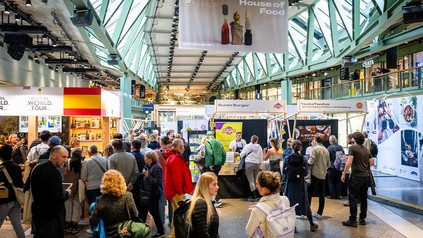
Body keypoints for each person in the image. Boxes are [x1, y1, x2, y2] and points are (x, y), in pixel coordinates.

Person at [31, 145, 71, 238]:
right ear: (53, 155)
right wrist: (67, 193)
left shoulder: (37, 168)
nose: (65, 160)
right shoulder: (54, 173)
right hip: (51, 219)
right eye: (63, 157)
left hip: (38, 215)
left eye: (67, 157)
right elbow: (57, 198)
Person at [245, 171, 298, 237]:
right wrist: (260, 206)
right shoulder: (285, 199)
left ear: (264, 189)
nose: (256, 186)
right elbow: (275, 209)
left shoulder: (258, 210)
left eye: (257, 184)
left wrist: (259, 208)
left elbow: (248, 232)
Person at [89, 170, 139, 237]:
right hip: (125, 233)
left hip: (107, 234)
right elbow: (135, 215)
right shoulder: (128, 196)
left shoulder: (100, 200)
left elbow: (93, 221)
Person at [283, 140, 319, 232]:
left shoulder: (287, 158)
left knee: (289, 204)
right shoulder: (303, 159)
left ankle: (292, 227)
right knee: (305, 203)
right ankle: (311, 224)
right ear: (300, 148)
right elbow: (306, 172)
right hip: (300, 184)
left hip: (290, 184)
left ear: (292, 147)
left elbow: (283, 172)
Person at [341, 132, 374, 227]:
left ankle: (353, 220)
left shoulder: (352, 148)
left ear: (354, 139)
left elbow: (349, 162)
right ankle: (362, 219)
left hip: (356, 177)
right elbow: (372, 162)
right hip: (366, 177)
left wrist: (344, 174)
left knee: (353, 198)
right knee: (364, 198)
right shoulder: (367, 150)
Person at [164, 138, 194, 238]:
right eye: (183, 147)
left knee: (176, 213)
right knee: (179, 215)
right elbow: (177, 178)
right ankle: (173, 235)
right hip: (176, 192)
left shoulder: (171, 157)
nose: (184, 149)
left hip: (173, 191)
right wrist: (180, 192)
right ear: (180, 147)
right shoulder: (175, 159)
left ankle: (174, 234)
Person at [0, 144, 25, 238]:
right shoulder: (17, 167)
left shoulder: (1, 169)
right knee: (18, 225)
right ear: (11, 155)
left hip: (4, 201)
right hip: (16, 199)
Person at [138, 151, 165, 238]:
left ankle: (161, 231)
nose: (144, 158)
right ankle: (141, 231)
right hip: (146, 193)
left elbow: (157, 182)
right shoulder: (147, 166)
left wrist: (147, 176)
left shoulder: (157, 167)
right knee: (143, 212)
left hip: (153, 194)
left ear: (150, 158)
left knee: (154, 212)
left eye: (146, 157)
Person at [186, 172, 220, 238]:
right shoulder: (200, 204)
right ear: (205, 186)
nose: (217, 187)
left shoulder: (207, 202)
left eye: (217, 184)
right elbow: (203, 234)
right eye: (214, 184)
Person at [307, 133, 330, 219]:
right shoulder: (326, 150)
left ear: (315, 140)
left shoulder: (315, 149)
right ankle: (320, 213)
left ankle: (307, 212)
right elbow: (328, 164)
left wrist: (307, 162)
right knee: (321, 194)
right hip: (323, 175)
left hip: (314, 174)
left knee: (309, 193)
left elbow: (311, 161)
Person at [64, 147, 84, 234]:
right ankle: (75, 226)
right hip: (78, 186)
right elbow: (83, 176)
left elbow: (64, 173)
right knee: (77, 205)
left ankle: (68, 225)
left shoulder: (67, 162)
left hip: (68, 186)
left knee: (68, 205)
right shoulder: (82, 163)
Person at [204, 131, 226, 207]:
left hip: (211, 165)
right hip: (218, 165)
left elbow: (209, 153)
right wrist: (222, 162)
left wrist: (210, 164)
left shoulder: (208, 142)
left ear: (207, 136)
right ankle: (216, 199)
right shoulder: (219, 142)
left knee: (209, 182)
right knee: (215, 181)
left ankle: (214, 200)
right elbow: (224, 153)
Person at [240, 135, 263, 201]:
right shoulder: (259, 147)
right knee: (255, 180)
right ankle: (255, 194)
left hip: (249, 164)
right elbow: (261, 157)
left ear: (251, 139)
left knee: (251, 181)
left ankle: (254, 195)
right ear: (257, 140)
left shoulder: (247, 146)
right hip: (257, 164)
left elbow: (242, 155)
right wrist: (261, 166)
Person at [326, 135, 344, 199]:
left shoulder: (329, 148)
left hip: (332, 167)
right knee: (338, 181)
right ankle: (338, 195)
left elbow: (327, 158)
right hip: (339, 167)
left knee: (331, 181)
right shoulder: (340, 147)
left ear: (330, 141)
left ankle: (332, 195)